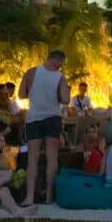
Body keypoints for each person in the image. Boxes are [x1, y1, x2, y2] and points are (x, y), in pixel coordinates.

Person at [19, 50, 70, 207]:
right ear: (58, 61)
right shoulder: (60, 77)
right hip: (52, 118)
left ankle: (29, 197)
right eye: (61, 64)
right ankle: (48, 195)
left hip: (34, 118)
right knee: (51, 157)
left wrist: (36, 96)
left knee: (32, 158)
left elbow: (21, 94)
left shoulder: (31, 72)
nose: (60, 67)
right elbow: (66, 100)